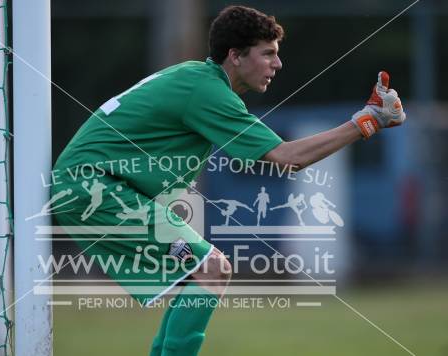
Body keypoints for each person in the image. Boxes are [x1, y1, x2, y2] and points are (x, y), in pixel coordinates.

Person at [51, 5, 406, 356]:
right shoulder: (207, 91)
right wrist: (368, 121)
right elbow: (289, 158)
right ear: (235, 56)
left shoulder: (199, 80)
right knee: (212, 268)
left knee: (203, 272)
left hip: (92, 186)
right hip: (93, 187)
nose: (277, 64)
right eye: (267, 54)